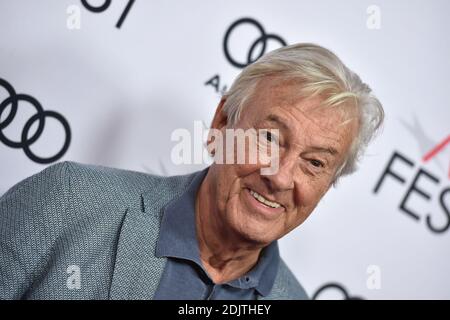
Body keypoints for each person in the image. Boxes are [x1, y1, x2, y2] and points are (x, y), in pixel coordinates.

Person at [0, 43, 384, 300]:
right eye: (269, 137)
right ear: (221, 124)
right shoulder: (68, 200)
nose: (280, 177)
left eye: (315, 163)